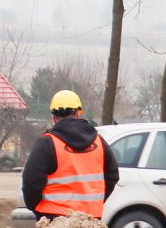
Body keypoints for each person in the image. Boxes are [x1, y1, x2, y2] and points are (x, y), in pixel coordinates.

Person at [21, 89, 117, 220]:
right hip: (90, 221)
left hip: (54, 219)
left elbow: (31, 182)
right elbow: (112, 176)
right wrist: (94, 203)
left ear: (54, 118)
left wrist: (37, 207)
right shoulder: (99, 142)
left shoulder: (47, 143)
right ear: (78, 114)